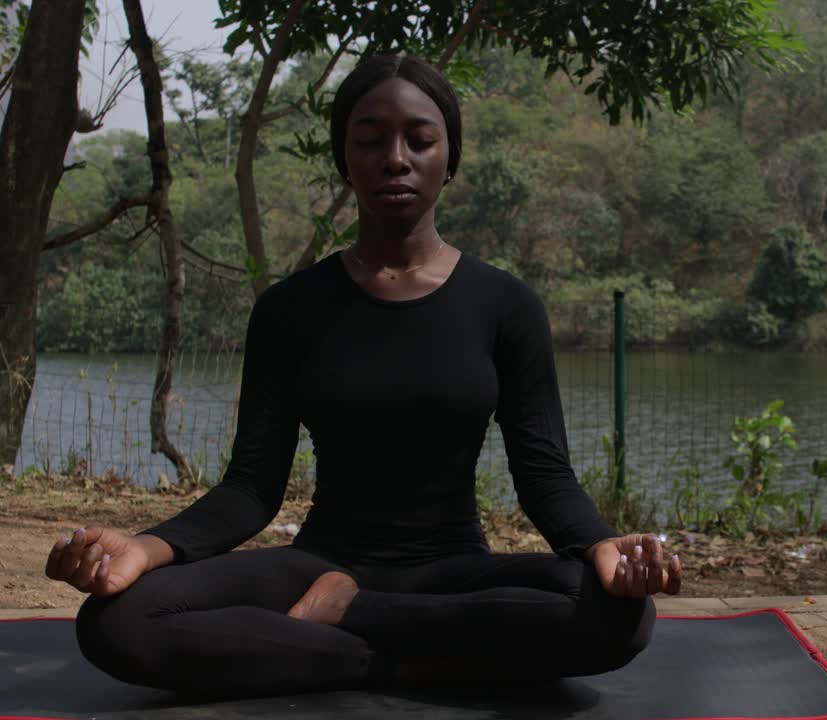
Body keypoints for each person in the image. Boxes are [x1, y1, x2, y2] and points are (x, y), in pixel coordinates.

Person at [44, 54, 681, 700]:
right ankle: (404, 662)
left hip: (456, 571)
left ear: (448, 157)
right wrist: (146, 549)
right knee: (117, 621)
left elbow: (546, 478)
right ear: (345, 159)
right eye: (371, 140)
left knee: (620, 616)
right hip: (316, 565)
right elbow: (250, 488)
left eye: (419, 139)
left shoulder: (505, 306)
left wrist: (604, 547)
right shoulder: (292, 310)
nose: (395, 158)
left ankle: (349, 623)